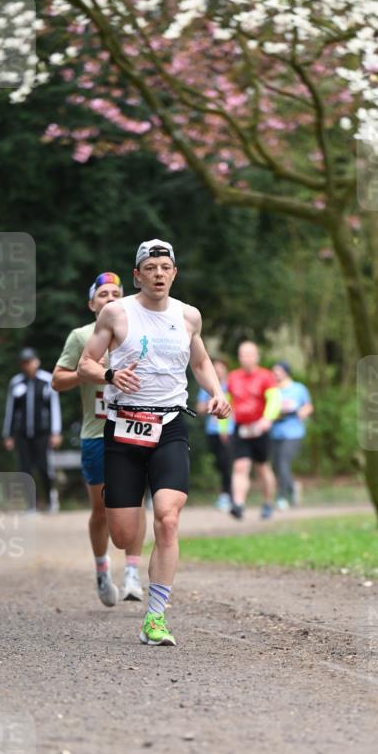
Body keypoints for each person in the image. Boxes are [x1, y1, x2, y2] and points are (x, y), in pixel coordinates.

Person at [77, 238, 230, 647]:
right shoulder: (116, 312)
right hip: (124, 427)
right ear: (137, 274)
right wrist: (110, 376)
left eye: (165, 267)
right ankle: (122, 503)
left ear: (174, 273)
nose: (159, 274)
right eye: (151, 267)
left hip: (170, 426)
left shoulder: (188, 316)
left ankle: (155, 617)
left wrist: (216, 391)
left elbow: (199, 361)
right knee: (124, 536)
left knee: (168, 517)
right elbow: (86, 363)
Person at [52, 271, 146, 607]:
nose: (110, 298)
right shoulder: (81, 336)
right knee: (103, 509)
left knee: (136, 502)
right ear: (92, 303)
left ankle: (133, 574)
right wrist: (90, 368)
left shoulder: (138, 331)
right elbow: (57, 380)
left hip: (134, 427)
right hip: (96, 433)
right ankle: (102, 569)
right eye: (103, 294)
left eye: (116, 293)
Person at [2, 348, 62, 512]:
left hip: (42, 433)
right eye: (23, 363)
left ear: (36, 361)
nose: (26, 365)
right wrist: (8, 434)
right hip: (22, 434)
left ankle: (51, 499)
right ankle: (31, 504)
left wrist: (56, 432)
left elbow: (54, 408)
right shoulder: (16, 382)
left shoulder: (47, 380)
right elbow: (11, 410)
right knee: (24, 469)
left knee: (44, 467)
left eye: (29, 361)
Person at [227, 341, 281, 520]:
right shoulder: (233, 377)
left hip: (260, 428)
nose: (246, 358)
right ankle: (238, 504)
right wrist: (223, 427)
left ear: (257, 356)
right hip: (240, 428)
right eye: (242, 354)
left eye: (250, 354)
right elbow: (227, 402)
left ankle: (267, 502)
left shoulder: (266, 376)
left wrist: (267, 419)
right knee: (240, 465)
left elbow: (274, 400)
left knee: (262, 468)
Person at [270, 360, 314, 509]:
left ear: (286, 372)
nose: (275, 374)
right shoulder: (272, 390)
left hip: (294, 432)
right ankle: (293, 487)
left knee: (283, 462)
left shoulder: (298, 388)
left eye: (278, 371)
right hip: (275, 432)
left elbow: (308, 406)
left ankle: (282, 497)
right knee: (277, 465)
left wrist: (302, 412)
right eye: (273, 372)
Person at [196, 357, 234, 512]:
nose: (218, 370)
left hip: (230, 432)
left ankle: (227, 495)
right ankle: (226, 493)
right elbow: (199, 409)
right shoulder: (208, 387)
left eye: (220, 368)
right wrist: (212, 402)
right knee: (219, 463)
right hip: (212, 432)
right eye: (215, 367)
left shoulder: (232, 385)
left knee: (227, 463)